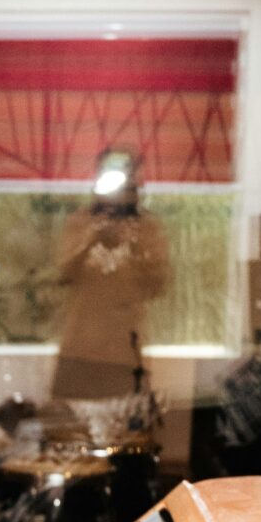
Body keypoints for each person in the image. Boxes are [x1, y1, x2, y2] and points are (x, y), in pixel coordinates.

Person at [50, 147, 170, 404]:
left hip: (124, 349)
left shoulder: (148, 228)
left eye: (127, 179)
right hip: (80, 344)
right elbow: (62, 275)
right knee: (69, 419)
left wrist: (135, 245)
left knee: (127, 420)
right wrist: (90, 240)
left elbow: (158, 285)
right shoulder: (80, 222)